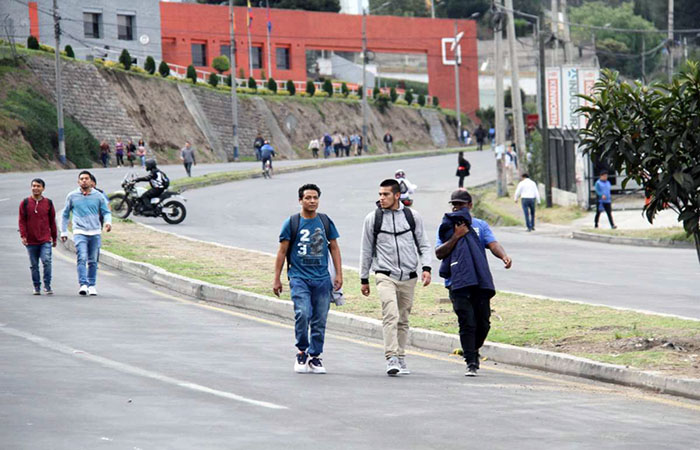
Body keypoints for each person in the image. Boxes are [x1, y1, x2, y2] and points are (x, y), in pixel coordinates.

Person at [435, 189, 512, 377]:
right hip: (457, 281)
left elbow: (493, 244)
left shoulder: (480, 225)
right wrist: (457, 236)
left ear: (470, 206)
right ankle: (471, 361)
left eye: (460, 204)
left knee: (483, 322)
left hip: (479, 279)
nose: (456, 207)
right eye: (454, 204)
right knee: (467, 321)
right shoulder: (447, 226)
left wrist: (504, 256)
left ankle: (472, 349)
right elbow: (439, 253)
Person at [360, 179, 432, 376]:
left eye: (386, 195)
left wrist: (426, 267)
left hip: (409, 276)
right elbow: (366, 250)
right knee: (390, 314)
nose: (381, 198)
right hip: (384, 275)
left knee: (403, 318)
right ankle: (391, 357)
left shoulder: (412, 216)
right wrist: (363, 278)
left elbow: (424, 244)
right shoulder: (373, 219)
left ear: (397, 195)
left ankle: (401, 357)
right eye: (380, 194)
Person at [273, 184, 343, 374]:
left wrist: (338, 274)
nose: (312, 201)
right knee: (303, 313)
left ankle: (315, 356)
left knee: (320, 319)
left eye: (315, 198)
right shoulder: (292, 223)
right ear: (300, 200)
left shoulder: (325, 221)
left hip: (322, 279)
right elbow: (282, 252)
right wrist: (277, 278)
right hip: (298, 278)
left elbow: (334, 248)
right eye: (308, 198)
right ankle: (302, 351)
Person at [61, 171, 112, 296]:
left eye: (86, 178)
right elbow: (65, 214)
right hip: (79, 231)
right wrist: (64, 231)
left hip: (95, 232)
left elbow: (106, 212)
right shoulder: (72, 196)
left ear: (91, 181)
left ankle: (92, 285)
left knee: (93, 260)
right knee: (82, 257)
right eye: (82, 179)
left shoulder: (98, 196)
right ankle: (83, 284)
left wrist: (108, 222)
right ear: (78, 182)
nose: (84, 180)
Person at [19, 178, 57, 295]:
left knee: (46, 261)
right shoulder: (25, 203)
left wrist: (54, 238)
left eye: (38, 186)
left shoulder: (48, 203)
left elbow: (52, 222)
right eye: (34, 186)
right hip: (31, 241)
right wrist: (23, 236)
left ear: (43, 189)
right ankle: (36, 286)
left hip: (45, 239)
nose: (35, 188)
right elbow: (22, 221)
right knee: (34, 265)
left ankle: (47, 284)